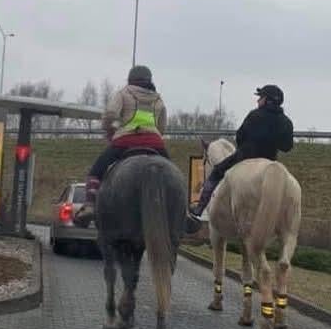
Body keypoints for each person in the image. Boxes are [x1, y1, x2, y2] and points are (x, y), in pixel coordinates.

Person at [75, 65, 168, 222]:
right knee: (172, 173)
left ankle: (90, 205)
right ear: (150, 80)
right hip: (154, 143)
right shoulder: (158, 99)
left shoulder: (124, 93)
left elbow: (110, 114)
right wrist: (153, 135)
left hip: (125, 141)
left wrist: (109, 130)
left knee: (96, 170)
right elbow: (162, 126)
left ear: (130, 79)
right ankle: (184, 211)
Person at [189, 84, 294, 220]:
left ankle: (199, 208)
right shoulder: (286, 122)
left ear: (267, 100)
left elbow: (240, 137)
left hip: (245, 157)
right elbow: (287, 147)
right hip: (270, 161)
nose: (258, 100)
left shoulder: (254, 115)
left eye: (261, 97)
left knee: (216, 172)